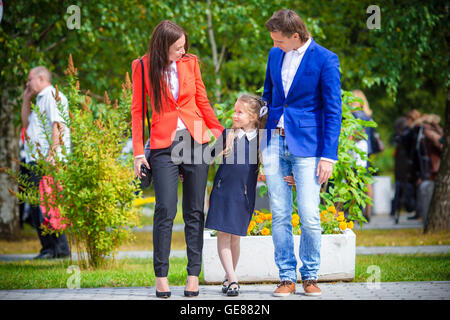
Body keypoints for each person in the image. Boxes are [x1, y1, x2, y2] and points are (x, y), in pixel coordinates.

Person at [131, 20, 224, 298]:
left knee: (195, 211)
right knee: (165, 210)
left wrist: (218, 130)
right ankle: (161, 276)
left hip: (196, 141)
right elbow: (137, 112)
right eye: (177, 48)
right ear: (162, 46)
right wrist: (138, 152)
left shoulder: (190, 62)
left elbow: (201, 99)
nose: (182, 52)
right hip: (162, 143)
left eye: (184, 46)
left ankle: (193, 275)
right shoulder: (143, 66)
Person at [261, 10, 342, 297]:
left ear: (295, 36)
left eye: (279, 41)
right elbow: (268, 95)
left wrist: (328, 156)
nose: (274, 46)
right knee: (280, 214)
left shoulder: (326, 59)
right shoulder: (275, 55)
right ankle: (286, 277)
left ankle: (309, 275)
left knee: (309, 215)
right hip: (274, 144)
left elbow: (333, 112)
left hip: (308, 147)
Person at [205, 94, 282, 296]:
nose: (235, 115)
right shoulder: (228, 135)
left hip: (243, 196)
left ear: (254, 116)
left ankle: (228, 277)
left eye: (240, 112)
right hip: (222, 193)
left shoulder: (262, 140)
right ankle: (233, 280)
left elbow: (275, 163)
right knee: (223, 235)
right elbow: (206, 157)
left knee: (235, 237)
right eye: (234, 110)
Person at [21, 66, 71, 259]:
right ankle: (48, 249)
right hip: (35, 159)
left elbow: (57, 126)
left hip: (48, 160)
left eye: (30, 79)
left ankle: (59, 249)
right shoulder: (39, 99)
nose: (28, 83)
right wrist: (26, 99)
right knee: (36, 205)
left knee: (49, 205)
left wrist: (52, 154)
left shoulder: (51, 96)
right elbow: (26, 124)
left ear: (41, 78)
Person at [350, 89, 376, 222]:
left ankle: (354, 211)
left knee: (354, 180)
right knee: (366, 181)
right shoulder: (368, 115)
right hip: (367, 151)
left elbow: (358, 134)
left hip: (357, 152)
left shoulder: (355, 115)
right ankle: (368, 212)